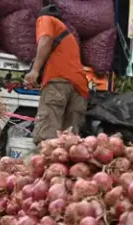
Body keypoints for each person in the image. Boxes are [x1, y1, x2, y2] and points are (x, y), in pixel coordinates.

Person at [24, 4, 89, 144]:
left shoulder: (46, 19)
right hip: (80, 88)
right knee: (70, 144)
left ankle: (47, 166)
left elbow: (46, 39)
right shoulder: (69, 37)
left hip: (58, 82)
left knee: (47, 139)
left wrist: (35, 70)